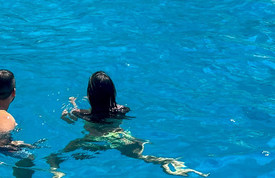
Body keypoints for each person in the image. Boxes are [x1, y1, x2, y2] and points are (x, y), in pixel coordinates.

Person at [49, 72, 207, 177]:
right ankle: (167, 164)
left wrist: (69, 110)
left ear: (90, 95)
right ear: (113, 93)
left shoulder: (83, 113)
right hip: (120, 137)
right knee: (142, 156)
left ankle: (56, 172)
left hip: (94, 140)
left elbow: (72, 119)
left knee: (54, 157)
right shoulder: (122, 110)